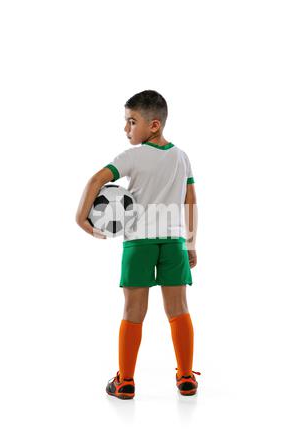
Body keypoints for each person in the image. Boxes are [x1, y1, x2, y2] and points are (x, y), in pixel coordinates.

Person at [75, 90, 200, 399]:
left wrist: (81, 218)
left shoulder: (131, 156)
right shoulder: (181, 156)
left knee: (133, 310)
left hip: (138, 242)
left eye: (132, 122)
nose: (126, 129)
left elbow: (95, 181)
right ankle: (185, 377)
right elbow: (191, 200)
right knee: (179, 309)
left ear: (153, 125)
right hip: (174, 242)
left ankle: (126, 381)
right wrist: (191, 243)